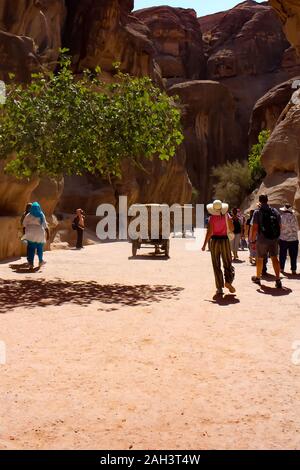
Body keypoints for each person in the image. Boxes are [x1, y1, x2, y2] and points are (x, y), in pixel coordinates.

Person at [202, 200, 236, 296]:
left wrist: (204, 245)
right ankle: (228, 281)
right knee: (228, 263)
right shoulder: (227, 216)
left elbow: (210, 232)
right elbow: (232, 228)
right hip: (225, 240)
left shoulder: (212, 218)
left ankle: (219, 288)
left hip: (215, 242)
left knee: (216, 265)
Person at [249, 195, 282, 288]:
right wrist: (276, 237)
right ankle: (278, 279)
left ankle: (258, 278)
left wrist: (252, 240)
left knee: (260, 258)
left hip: (262, 239)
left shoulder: (257, 212)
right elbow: (280, 226)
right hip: (274, 239)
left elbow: (255, 228)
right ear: (267, 200)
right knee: (274, 258)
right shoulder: (274, 211)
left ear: (260, 201)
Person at [22, 202, 49, 270]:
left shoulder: (28, 215)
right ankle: (40, 261)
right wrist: (48, 234)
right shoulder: (41, 214)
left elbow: (24, 225)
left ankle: (31, 263)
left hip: (30, 233)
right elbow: (45, 225)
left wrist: (24, 234)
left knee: (31, 248)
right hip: (40, 233)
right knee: (40, 248)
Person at [279, 203, 299, 274]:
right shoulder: (294, 217)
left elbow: (279, 228)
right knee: (293, 255)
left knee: (282, 254)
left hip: (283, 239)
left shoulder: (281, 217)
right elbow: (297, 228)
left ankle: (281, 269)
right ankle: (293, 269)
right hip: (293, 239)